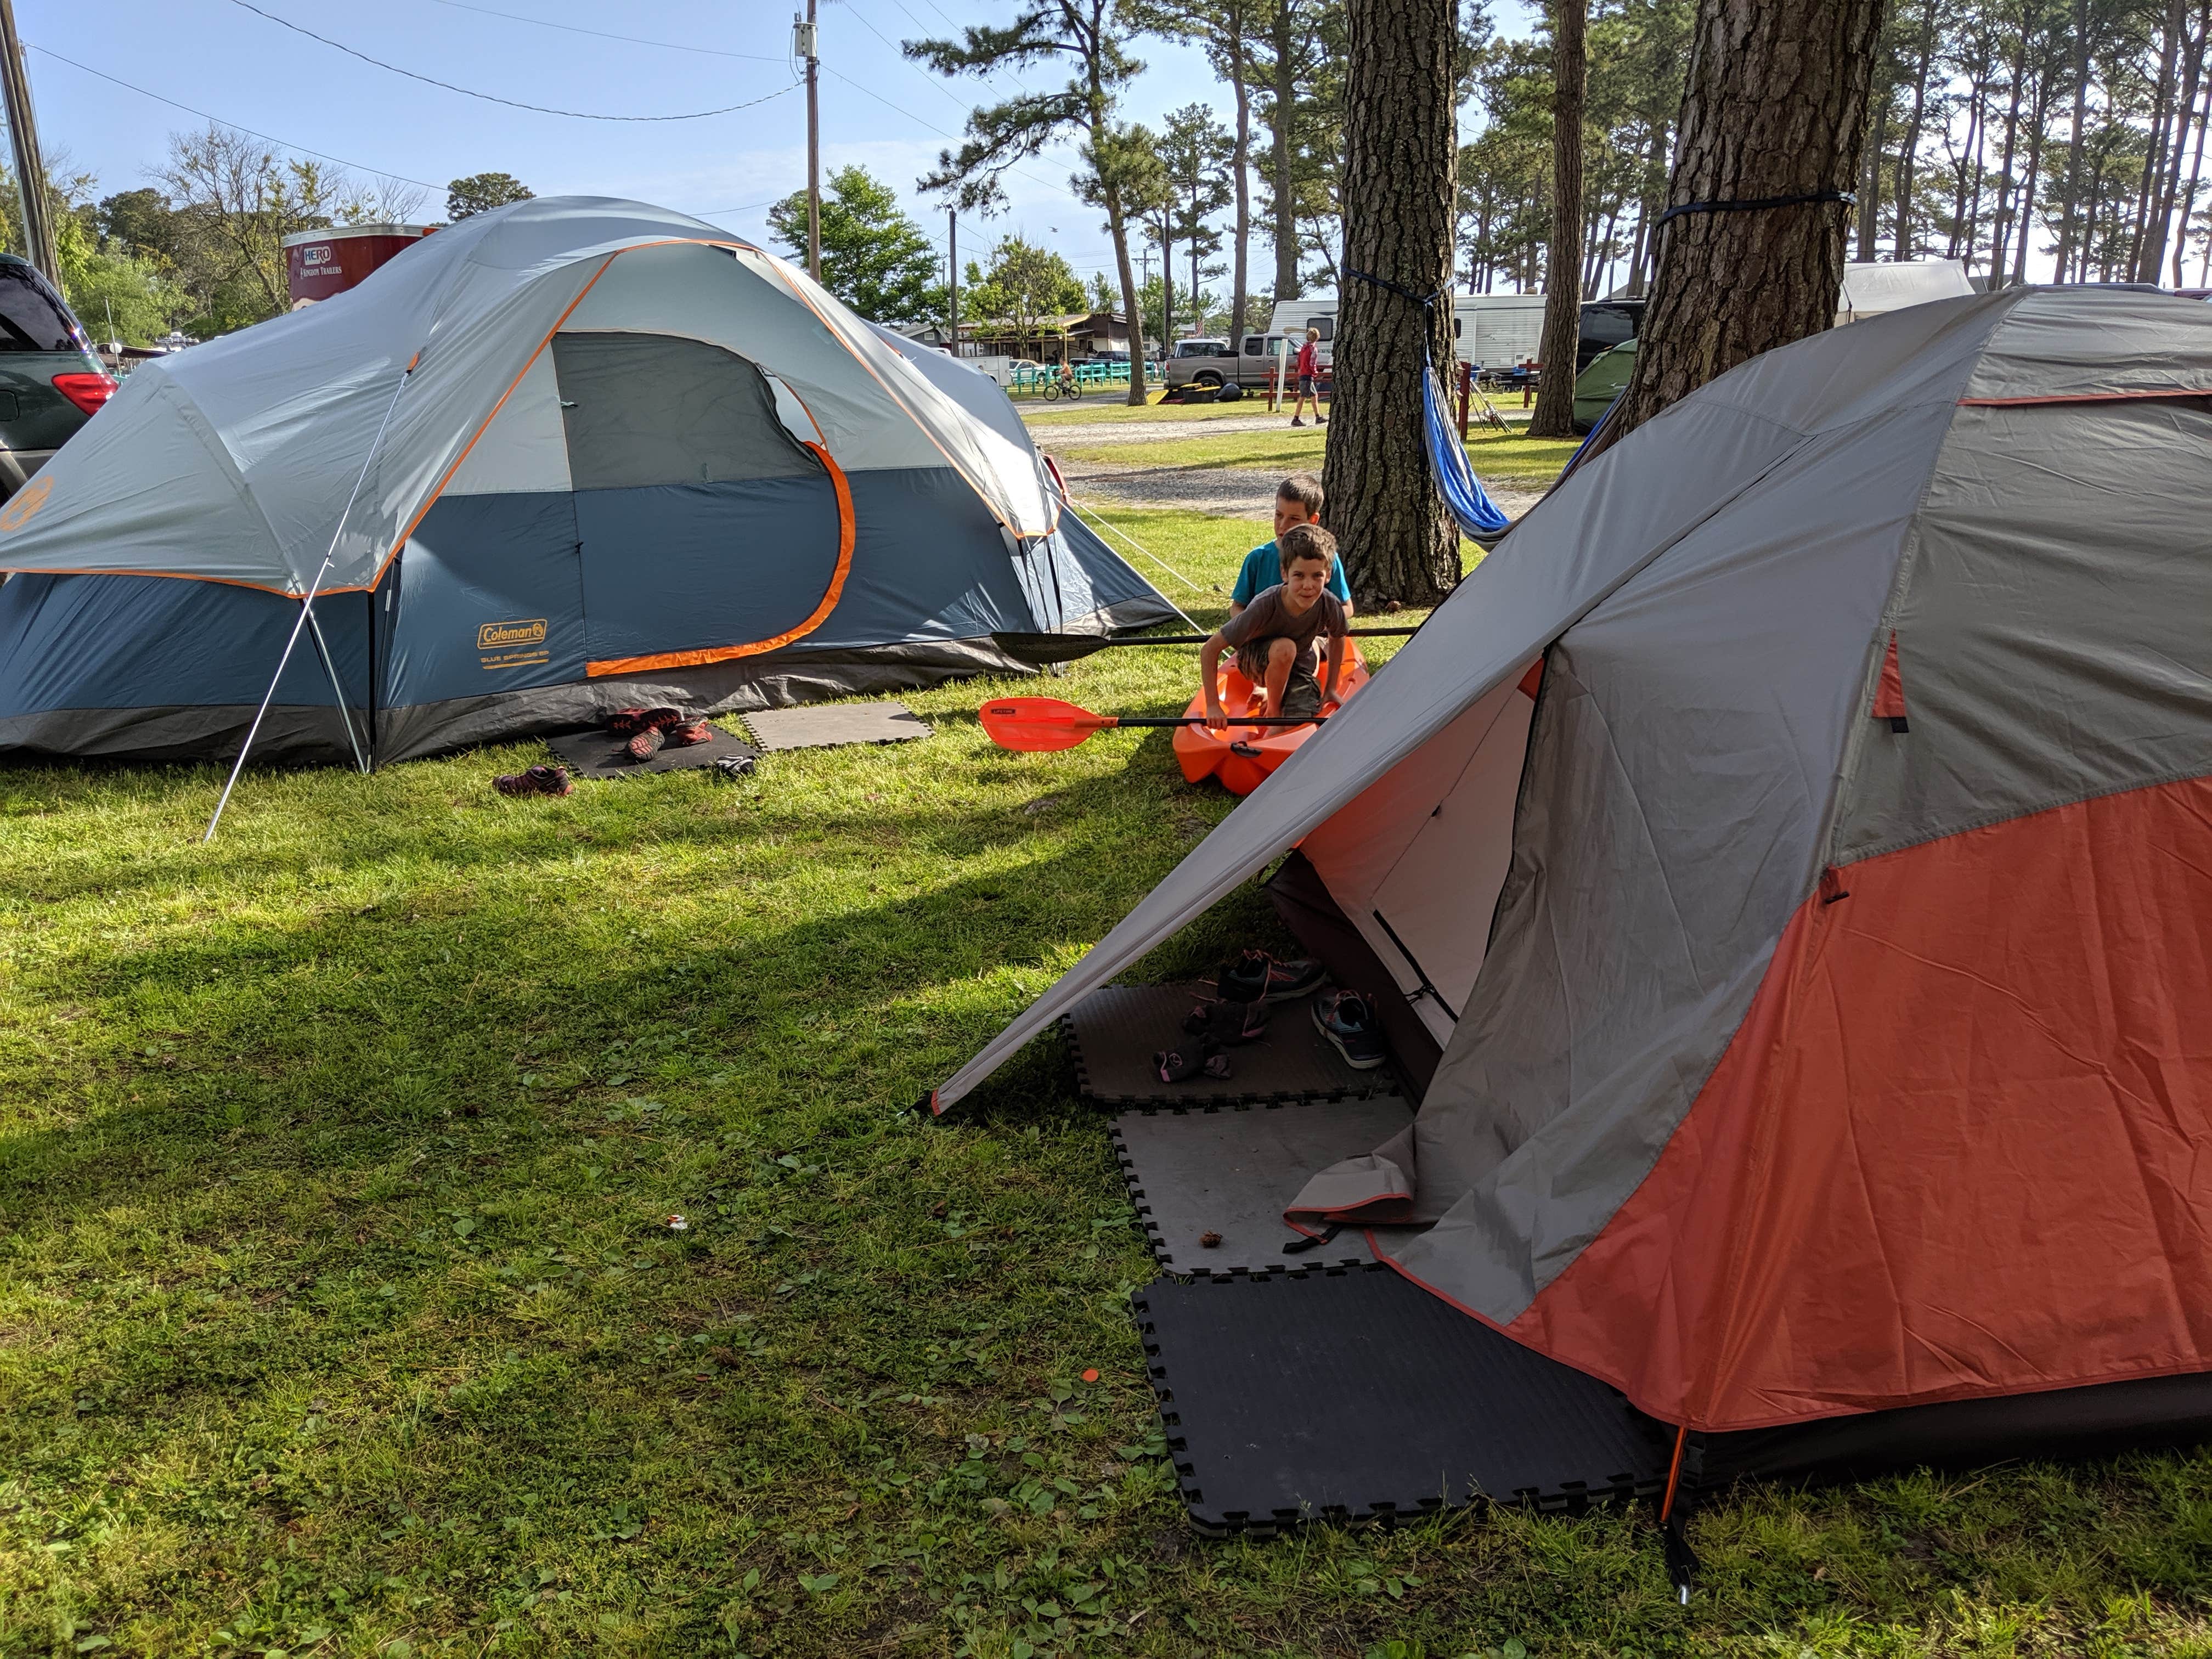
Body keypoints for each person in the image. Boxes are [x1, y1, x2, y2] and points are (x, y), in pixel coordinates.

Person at [1201, 523, 1348, 731]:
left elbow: (1338, 636)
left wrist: (1331, 688)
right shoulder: (1265, 604)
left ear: (1328, 575)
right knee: (1285, 648)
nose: (1308, 586)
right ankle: (1273, 711)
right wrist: (1213, 706)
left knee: (1302, 718)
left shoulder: (1329, 603)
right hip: (1255, 660)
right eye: (1299, 575)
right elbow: (1209, 650)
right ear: (1285, 573)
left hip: (1298, 664)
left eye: (1317, 576)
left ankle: (1276, 702)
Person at [1229, 473, 1353, 630]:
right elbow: (1237, 607)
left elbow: (1347, 607)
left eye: (1294, 519)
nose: (1283, 525)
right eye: (1279, 515)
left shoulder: (1326, 558)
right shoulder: (1257, 558)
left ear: (1313, 520)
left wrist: (1315, 625)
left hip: (1312, 640)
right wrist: (1254, 627)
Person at [1289, 328, 1325, 427]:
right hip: (1308, 375)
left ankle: (1318, 417)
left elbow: (1299, 361)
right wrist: (1315, 372)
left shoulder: (1303, 348)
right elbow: (1312, 363)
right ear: (1317, 338)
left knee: (1314, 395)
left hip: (1302, 373)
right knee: (1303, 397)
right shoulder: (1313, 349)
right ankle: (1296, 418)